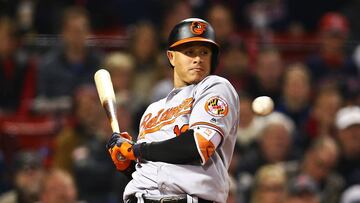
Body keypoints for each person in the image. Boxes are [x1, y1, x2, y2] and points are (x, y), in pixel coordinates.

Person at [106, 18, 240, 203]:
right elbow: (155, 167)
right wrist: (128, 166)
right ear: (171, 57)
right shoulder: (153, 109)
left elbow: (199, 146)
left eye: (204, 52)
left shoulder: (215, 86)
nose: (198, 59)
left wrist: (136, 150)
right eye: (189, 52)